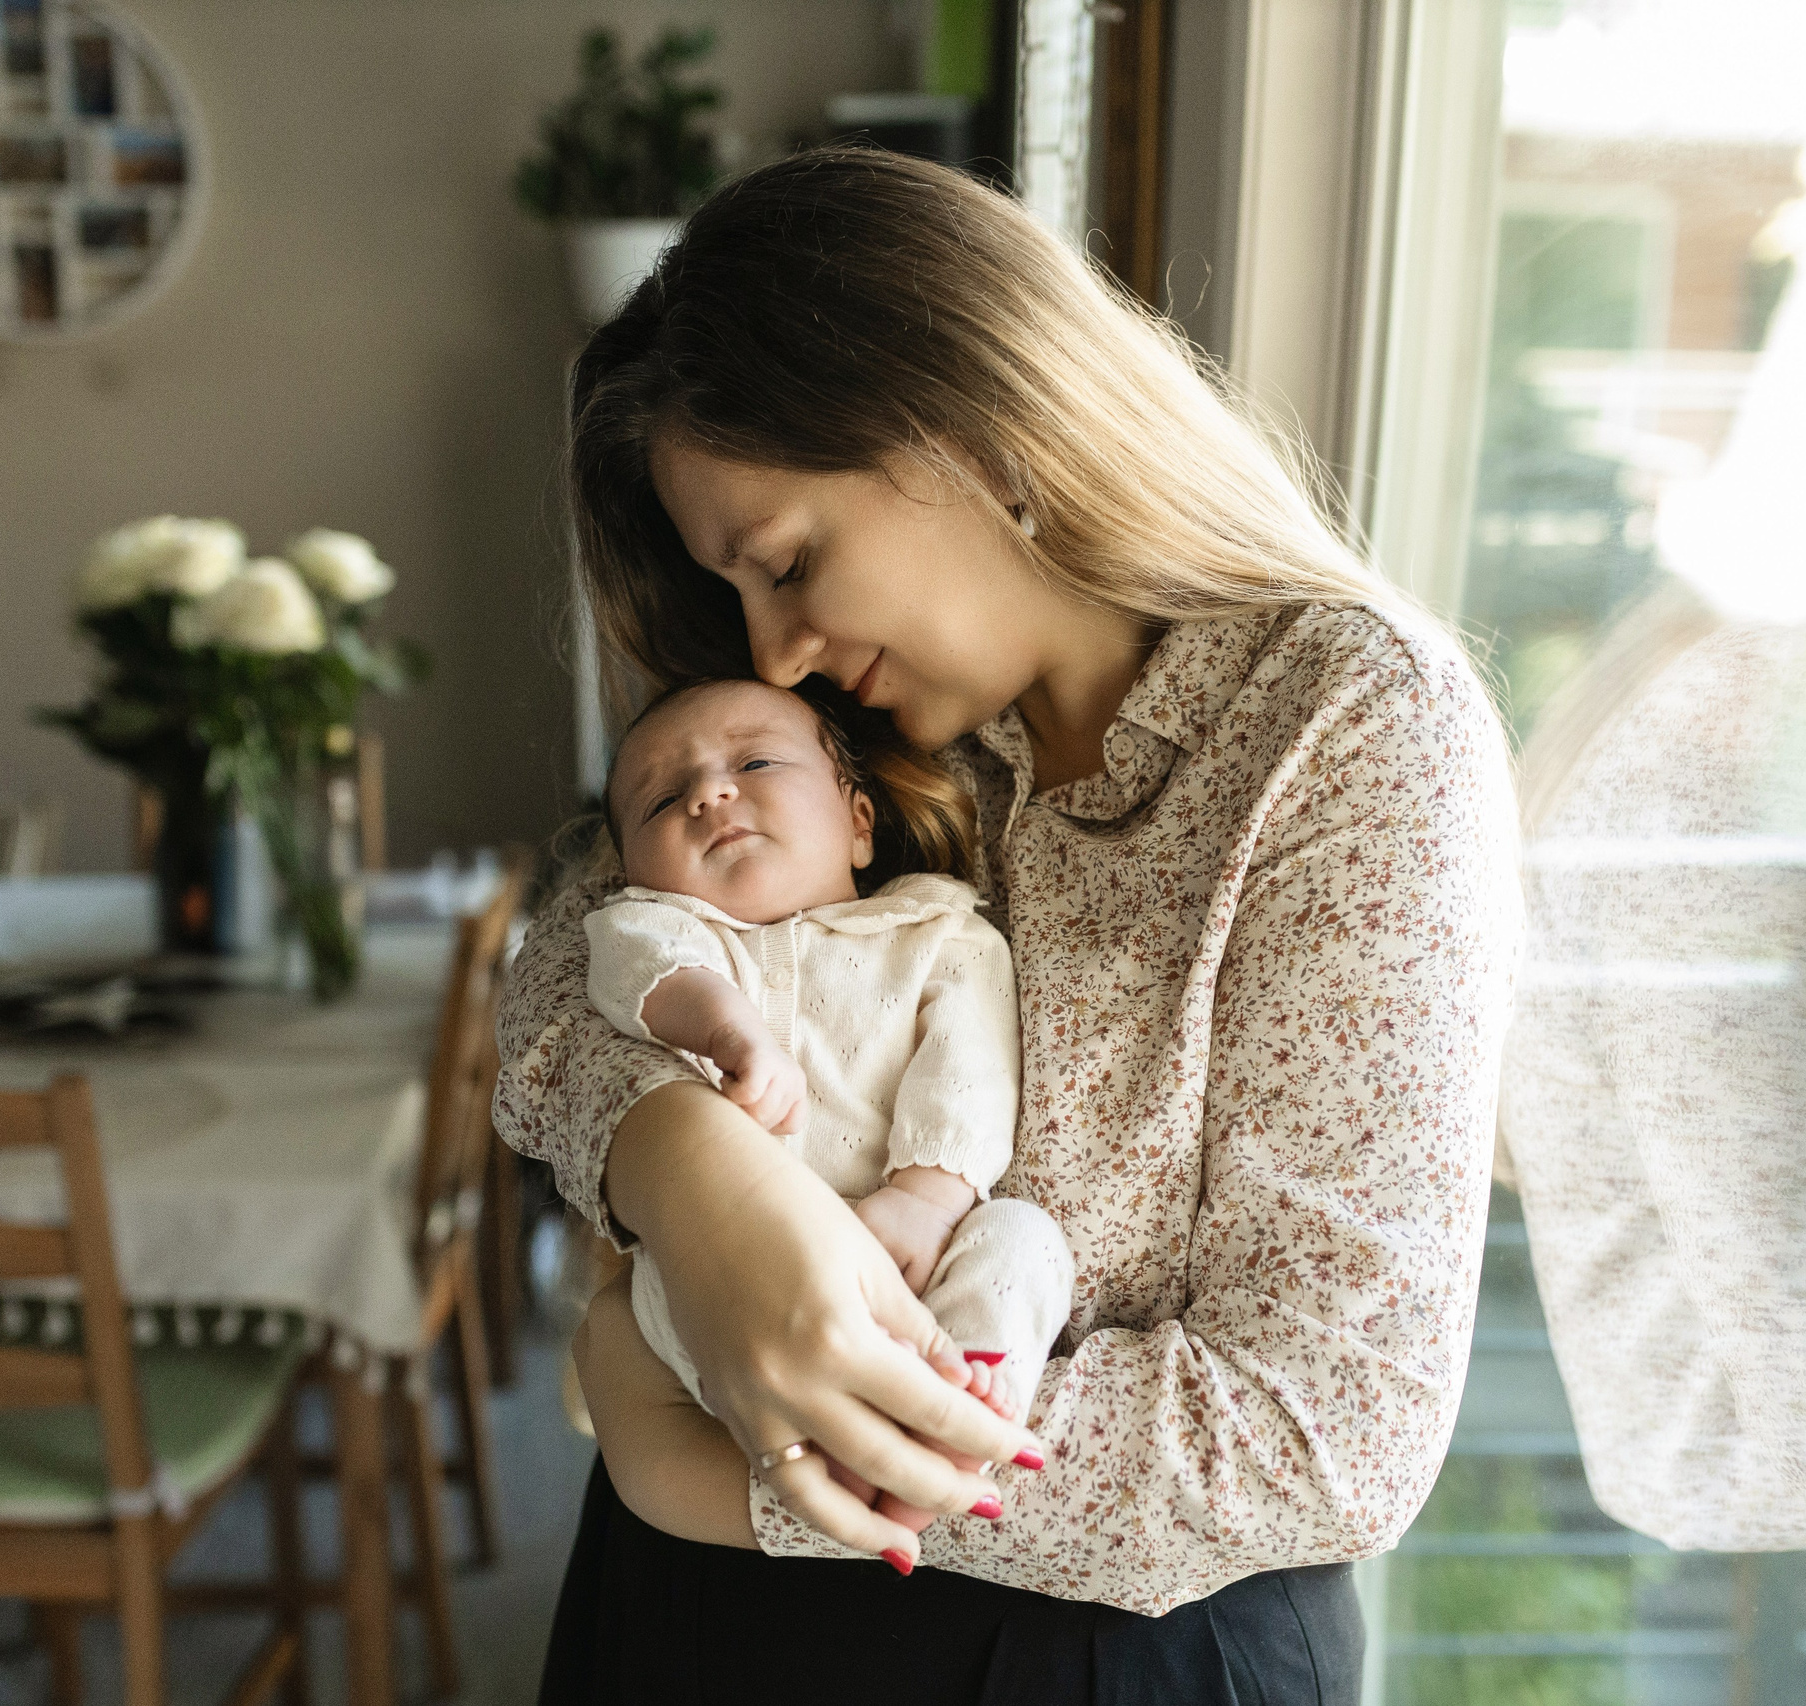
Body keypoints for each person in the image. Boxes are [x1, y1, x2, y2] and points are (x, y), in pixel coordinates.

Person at [494, 146, 1520, 1705]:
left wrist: (713, 1466)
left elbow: (1321, 1431)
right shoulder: (849, 729)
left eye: (788, 562)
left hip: (1107, 1658)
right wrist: (681, 1167)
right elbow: (563, 963)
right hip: (685, 1625)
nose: (776, 652)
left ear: (971, 419)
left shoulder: (1348, 726)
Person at [586, 677, 1076, 1497]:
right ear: (636, 869)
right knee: (655, 1293)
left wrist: (928, 1198)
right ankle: (789, 1415)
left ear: (858, 822)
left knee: (1026, 1241)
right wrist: (728, 1031)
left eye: (755, 761)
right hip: (742, 1282)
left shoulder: (936, 930)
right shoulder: (680, 936)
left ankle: (965, 1385)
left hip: (917, 1244)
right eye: (664, 799)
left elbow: (972, 1064)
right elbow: (640, 966)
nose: (709, 792)